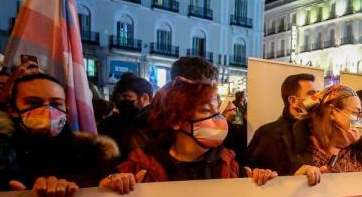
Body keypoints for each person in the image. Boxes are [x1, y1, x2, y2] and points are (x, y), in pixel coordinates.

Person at [109, 76, 274, 190]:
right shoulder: (140, 168)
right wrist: (114, 186)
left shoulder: (228, 164)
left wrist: (260, 179)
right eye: (205, 110)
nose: (218, 118)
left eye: (216, 111)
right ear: (175, 121)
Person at [5, 72, 120, 197]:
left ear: (66, 109)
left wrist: (114, 181)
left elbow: (104, 186)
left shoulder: (91, 151)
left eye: (56, 103)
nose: (47, 110)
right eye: (33, 103)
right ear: (12, 109)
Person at [256, 85, 362, 186]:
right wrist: (293, 181)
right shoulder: (281, 144)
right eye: (355, 113)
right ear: (333, 112)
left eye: (361, 114)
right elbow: (263, 196)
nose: (360, 120)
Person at [245, 72, 317, 164]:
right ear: (293, 101)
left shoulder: (317, 131)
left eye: (317, 93)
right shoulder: (268, 134)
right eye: (311, 94)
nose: (316, 98)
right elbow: (251, 171)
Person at [98, 73, 153, 155]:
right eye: (118, 97)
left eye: (126, 97)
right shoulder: (108, 124)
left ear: (144, 98)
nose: (120, 101)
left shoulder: (154, 126)